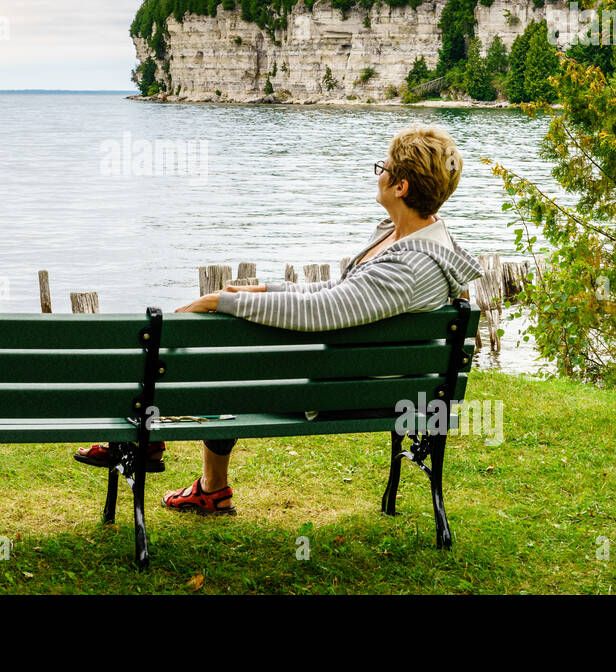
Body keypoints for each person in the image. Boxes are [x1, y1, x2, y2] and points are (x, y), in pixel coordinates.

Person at [72, 123, 482, 516]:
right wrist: (260, 292)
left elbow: (324, 310)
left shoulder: (407, 267)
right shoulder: (417, 240)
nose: (378, 175)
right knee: (227, 352)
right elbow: (336, 295)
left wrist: (223, 303)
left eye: (384, 168)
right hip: (362, 374)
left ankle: (146, 441)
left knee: (219, 357)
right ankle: (205, 485)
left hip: (342, 391)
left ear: (401, 187)